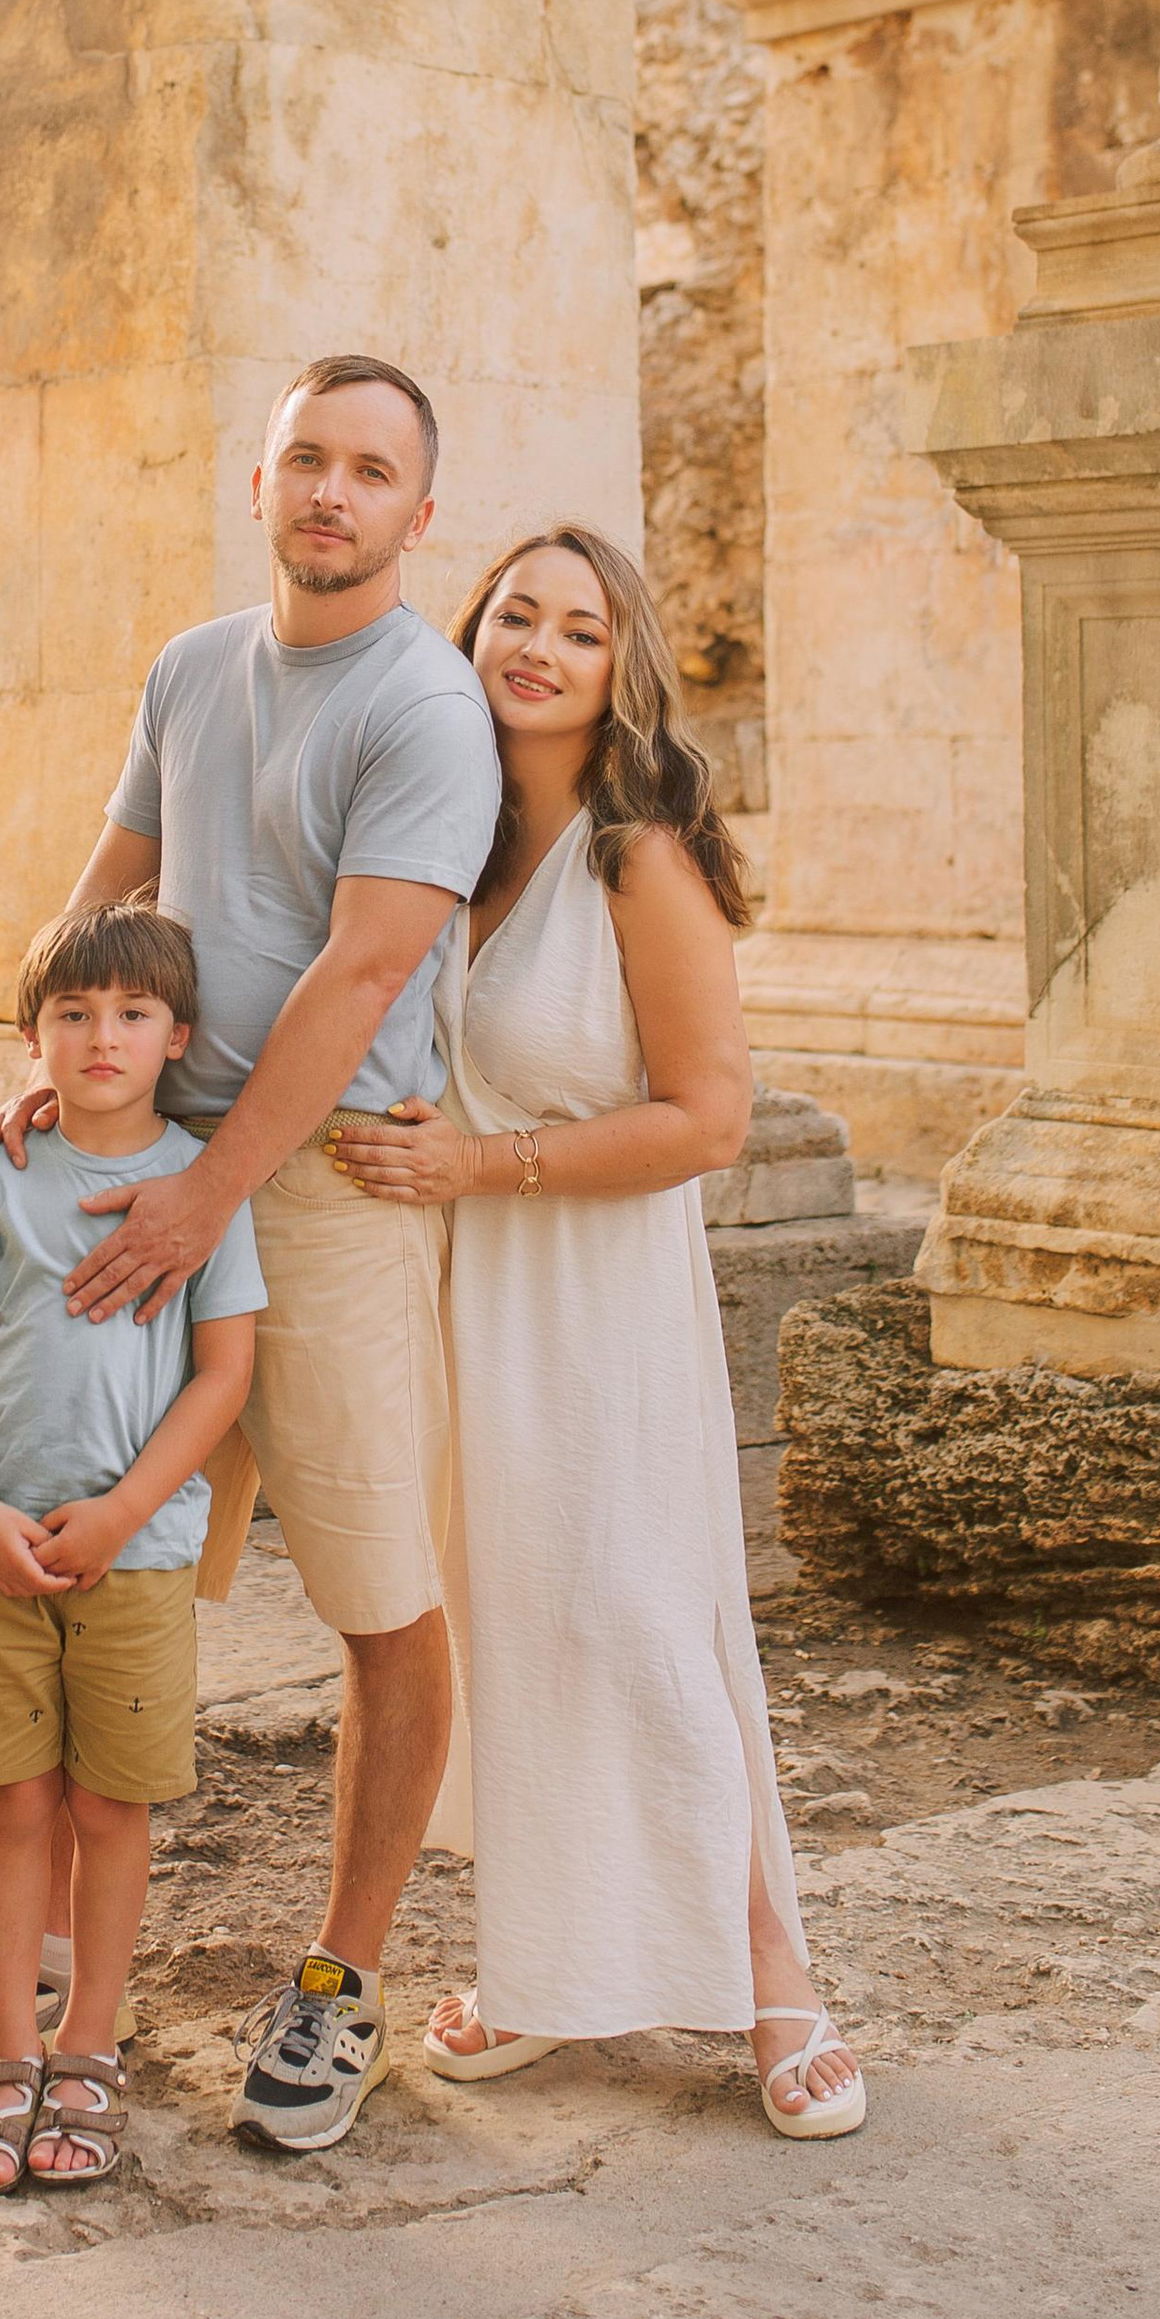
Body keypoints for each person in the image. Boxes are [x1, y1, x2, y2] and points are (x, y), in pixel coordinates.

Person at [0, 353, 501, 2152]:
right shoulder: (190, 667)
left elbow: (363, 968)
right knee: (89, 1557)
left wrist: (208, 1191)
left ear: (416, 512)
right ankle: (41, 1972)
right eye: (308, 458)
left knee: (378, 1594)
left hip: (312, 1196)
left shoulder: (424, 707)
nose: (333, 493)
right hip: (141, 1161)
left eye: (372, 470)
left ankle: (339, 1984)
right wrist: (48, 1080)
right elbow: (112, 884)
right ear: (262, 483)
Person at [327, 528, 866, 2137]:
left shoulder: (640, 855)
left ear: (621, 665)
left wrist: (481, 1161)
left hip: (597, 1294)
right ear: (469, 630)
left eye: (579, 627)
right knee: (510, 1628)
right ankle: (553, 1969)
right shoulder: (446, 841)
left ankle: (777, 1979)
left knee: (641, 1616)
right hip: (461, 1294)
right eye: (513, 615)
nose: (539, 649)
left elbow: (711, 1120)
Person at [0, 899, 264, 2192]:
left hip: (142, 1555)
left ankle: (92, 2046)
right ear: (33, 1038)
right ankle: (10, 2053)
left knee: (113, 1805)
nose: (101, 1035)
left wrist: (123, 1513)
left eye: (130, 1014)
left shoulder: (200, 1185)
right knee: (15, 1801)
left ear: (178, 1034)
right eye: (73, 1013)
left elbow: (223, 1376)